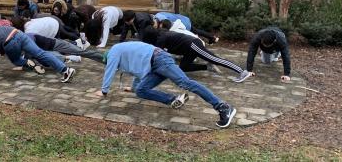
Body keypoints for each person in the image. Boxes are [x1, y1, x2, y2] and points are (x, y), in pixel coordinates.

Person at [97, 41, 237, 128]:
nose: (114, 66)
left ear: (108, 57)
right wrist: (132, 88)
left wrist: (104, 91)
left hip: (160, 59)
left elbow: (109, 71)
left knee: (185, 82)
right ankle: (173, 99)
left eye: (111, 63)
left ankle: (223, 107)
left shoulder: (114, 51)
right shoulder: (123, 53)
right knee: (140, 90)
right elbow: (138, 73)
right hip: (154, 65)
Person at [0, 26, 76, 83]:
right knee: (41, 53)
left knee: (16, 60)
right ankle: (66, 70)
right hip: (20, 34)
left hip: (10, 42)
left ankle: (26, 62)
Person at [141, 27, 253, 82]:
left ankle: (242, 72)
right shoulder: (159, 37)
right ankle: (207, 67)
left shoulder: (161, 39)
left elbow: (157, 56)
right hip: (187, 49)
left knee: (214, 59)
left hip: (192, 44)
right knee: (183, 67)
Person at [26, 33, 104, 63]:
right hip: (51, 49)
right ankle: (71, 58)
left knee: (82, 52)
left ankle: (105, 59)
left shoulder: (28, 36)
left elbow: (33, 48)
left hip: (58, 44)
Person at [154, 12, 218, 45]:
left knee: (189, 36)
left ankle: (203, 41)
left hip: (183, 23)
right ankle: (212, 37)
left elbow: (167, 23)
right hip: (183, 20)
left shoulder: (159, 17)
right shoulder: (158, 15)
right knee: (195, 30)